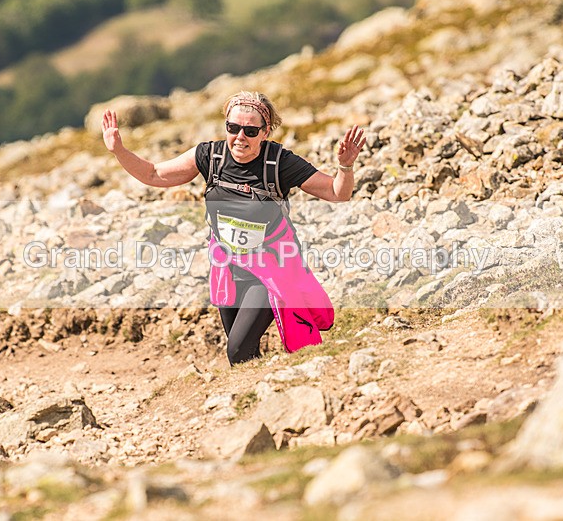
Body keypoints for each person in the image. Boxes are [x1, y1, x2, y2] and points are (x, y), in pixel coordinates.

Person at [102, 91, 366, 365]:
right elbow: (153, 174)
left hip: (268, 271)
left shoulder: (279, 163)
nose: (240, 137)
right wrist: (118, 151)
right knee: (244, 356)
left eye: (250, 131)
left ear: (265, 133)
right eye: (233, 128)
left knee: (236, 349)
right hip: (226, 268)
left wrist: (345, 167)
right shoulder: (210, 155)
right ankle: (256, 399)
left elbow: (337, 193)